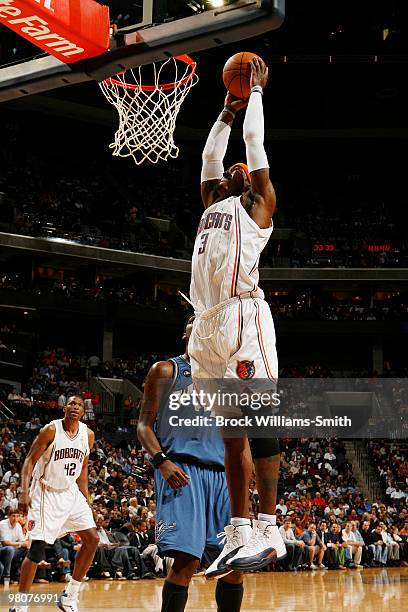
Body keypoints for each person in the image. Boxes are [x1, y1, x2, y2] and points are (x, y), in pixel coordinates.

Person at [188, 57, 285, 573]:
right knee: (230, 434)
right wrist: (225, 111)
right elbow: (209, 154)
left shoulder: (259, 206)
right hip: (206, 325)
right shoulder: (210, 204)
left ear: (252, 183)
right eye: (230, 174)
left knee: (259, 417)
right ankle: (240, 529)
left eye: (243, 173)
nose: (234, 170)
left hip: (244, 317)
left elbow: (255, 146)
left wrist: (256, 95)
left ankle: (271, 528)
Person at [137, 316, 244, 612]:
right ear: (184, 334)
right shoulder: (165, 370)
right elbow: (144, 426)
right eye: (194, 326)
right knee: (186, 561)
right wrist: (161, 461)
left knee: (233, 563)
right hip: (181, 470)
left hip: (223, 476)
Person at [9, 396, 99, 612]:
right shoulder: (51, 430)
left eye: (79, 404)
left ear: (84, 411)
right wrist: (23, 492)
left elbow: (83, 470)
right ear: (64, 407)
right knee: (37, 550)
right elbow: (30, 460)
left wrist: (86, 500)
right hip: (45, 492)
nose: (75, 407)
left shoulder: (88, 435)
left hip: (70, 492)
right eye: (72, 404)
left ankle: (70, 595)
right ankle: (20, 605)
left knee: (92, 539)